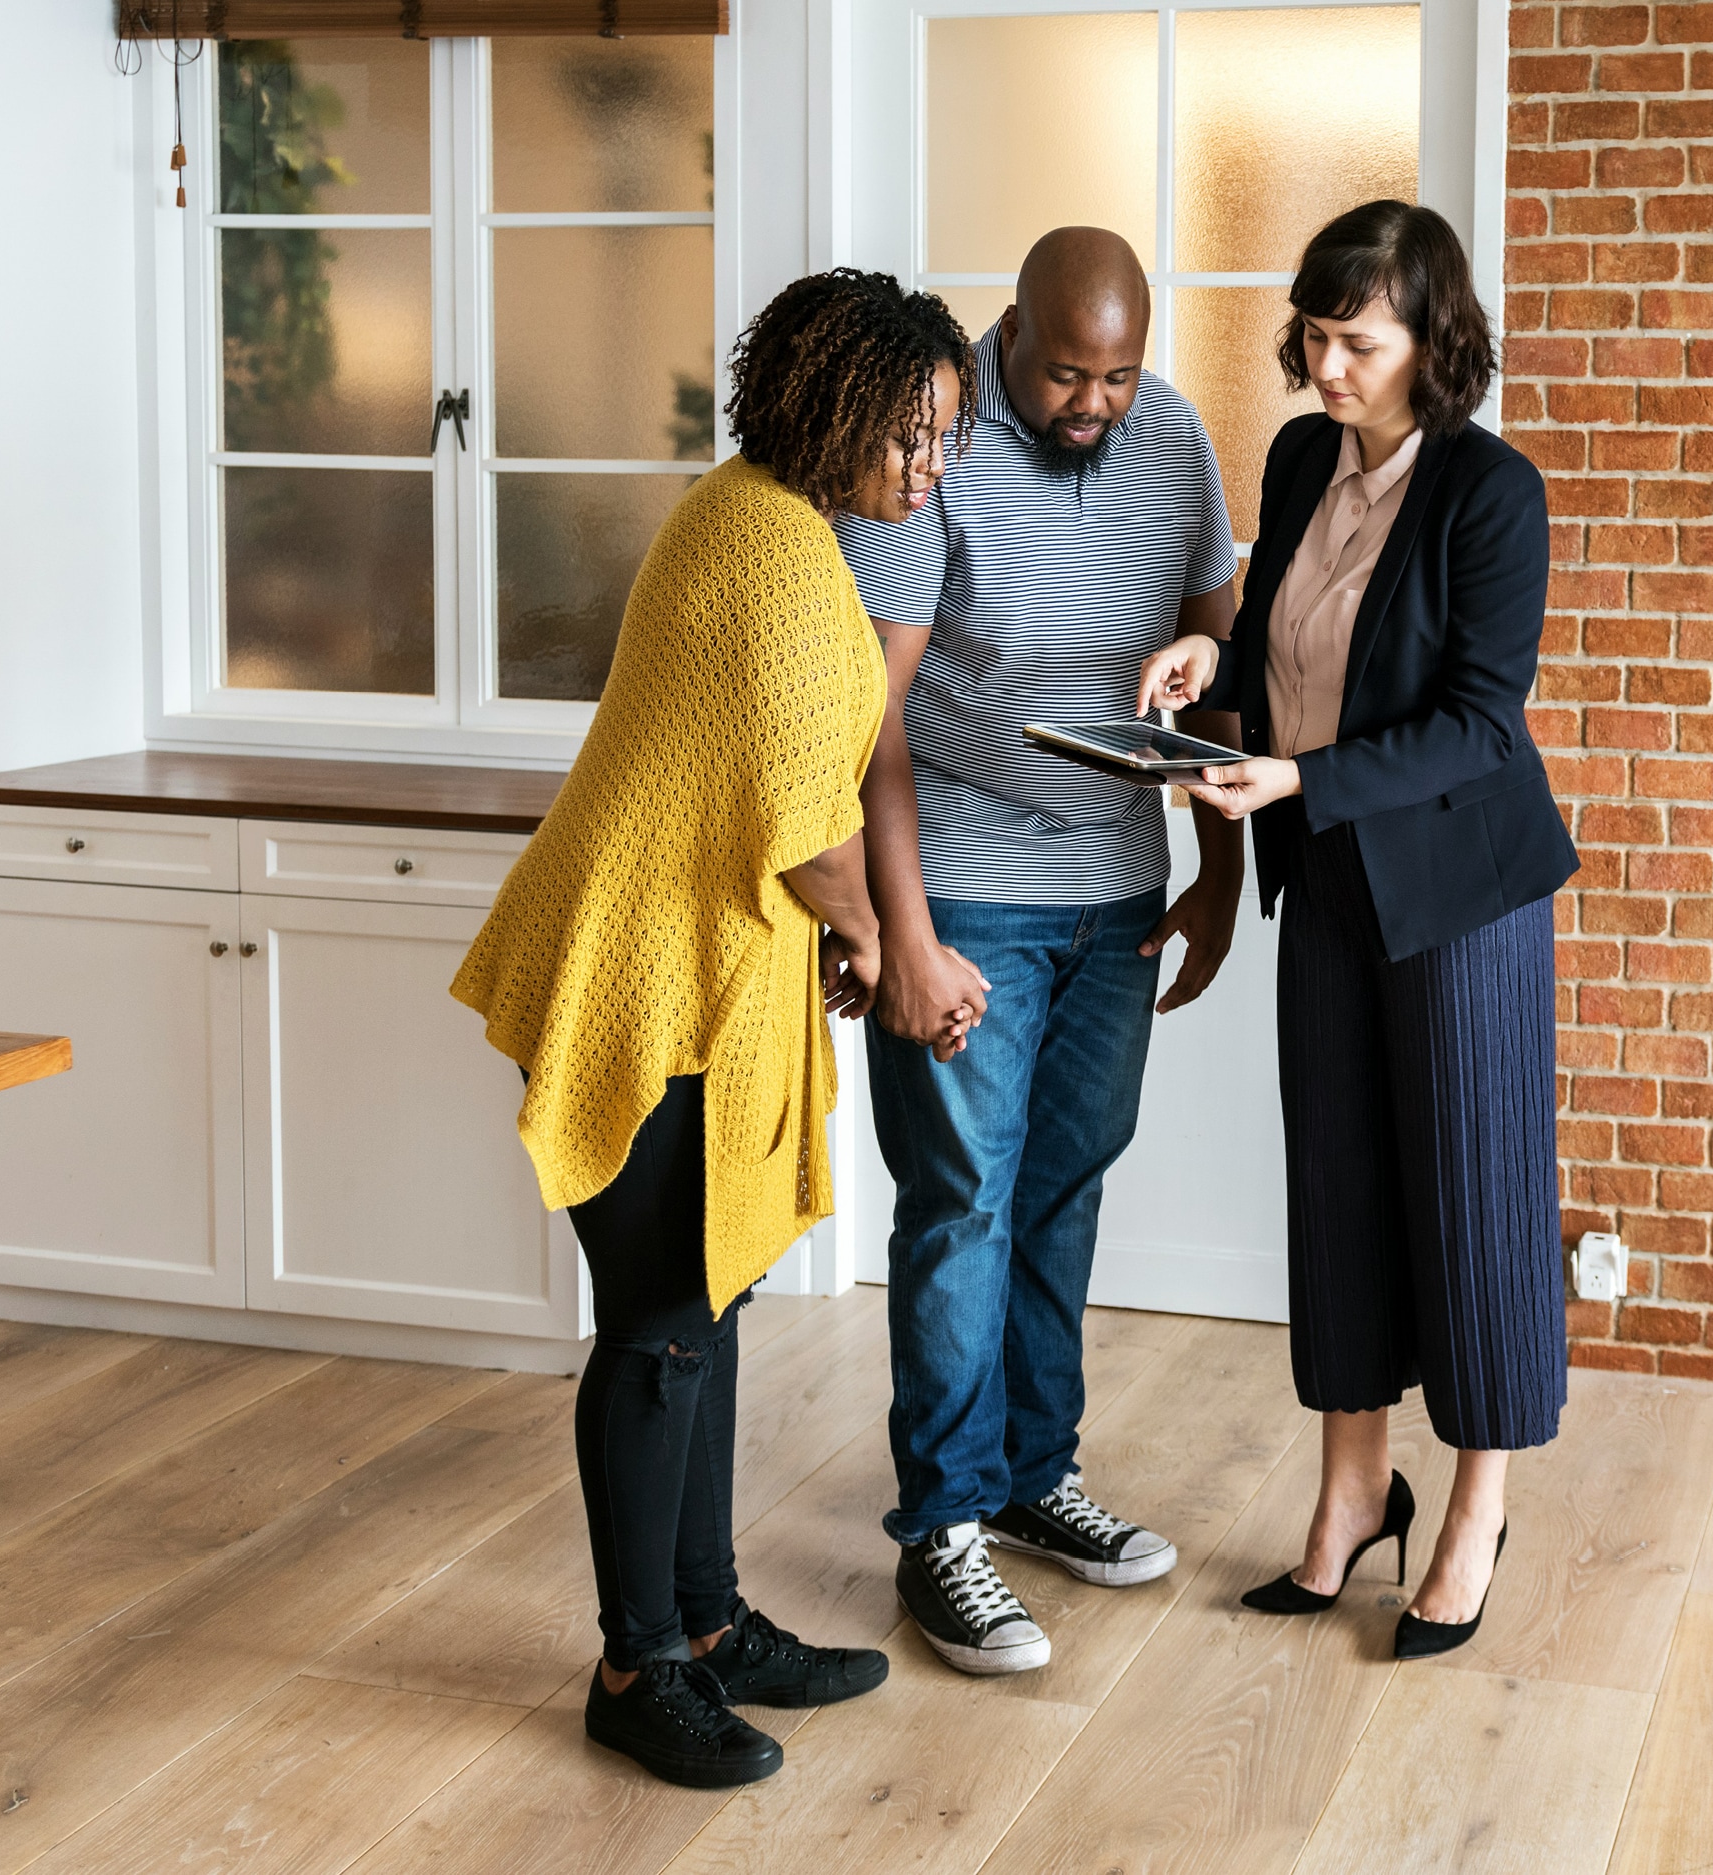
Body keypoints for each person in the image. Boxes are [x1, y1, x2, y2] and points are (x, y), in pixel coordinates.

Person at [450, 269, 976, 1786]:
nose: (926, 463)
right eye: (909, 431)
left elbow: (787, 804)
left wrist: (857, 937)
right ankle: (634, 1667)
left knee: (703, 1300)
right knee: (661, 1332)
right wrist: (884, 946)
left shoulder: (765, 520)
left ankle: (703, 1624)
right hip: (647, 977)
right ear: (830, 407)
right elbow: (807, 829)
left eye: (943, 437)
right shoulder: (772, 556)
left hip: (692, 967)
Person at [1139, 200, 1575, 1661]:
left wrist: (1299, 776)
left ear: (1431, 342)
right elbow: (1277, 625)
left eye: (1359, 342)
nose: (1325, 367)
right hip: (1321, 875)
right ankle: (1347, 1496)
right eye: (1314, 337)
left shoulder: (1490, 493)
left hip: (1459, 900)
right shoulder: (1292, 457)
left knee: (1471, 1197)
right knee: (1335, 1189)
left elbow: (1475, 722)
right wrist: (1215, 660)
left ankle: (1474, 1506)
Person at [830, 226, 1246, 1675]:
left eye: (1119, 375)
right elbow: (868, 722)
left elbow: (1213, 661)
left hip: (1118, 892)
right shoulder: (932, 444)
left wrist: (1214, 871)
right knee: (959, 1204)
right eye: (1070, 374)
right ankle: (941, 1522)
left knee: (1061, 1190)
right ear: (1012, 336)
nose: (1096, 402)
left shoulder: (1175, 436)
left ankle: (1026, 1478)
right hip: (968, 893)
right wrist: (904, 933)